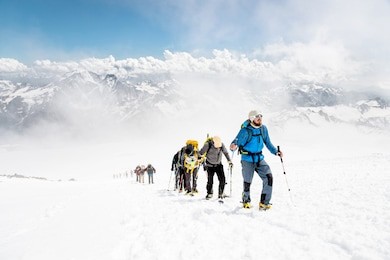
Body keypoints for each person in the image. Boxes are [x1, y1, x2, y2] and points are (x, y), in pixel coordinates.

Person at [230, 110, 283, 210]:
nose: (259, 118)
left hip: (259, 158)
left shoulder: (263, 129)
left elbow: (268, 143)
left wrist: (276, 152)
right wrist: (233, 146)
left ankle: (264, 203)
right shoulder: (245, 131)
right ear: (251, 118)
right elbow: (236, 142)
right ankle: (246, 200)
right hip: (247, 159)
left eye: (260, 116)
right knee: (247, 182)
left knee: (269, 177)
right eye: (257, 116)